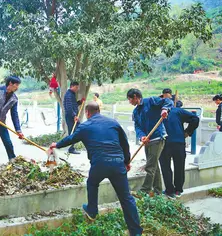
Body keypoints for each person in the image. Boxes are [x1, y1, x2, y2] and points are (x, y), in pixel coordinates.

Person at [49, 101, 143, 236]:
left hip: (99, 163)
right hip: (117, 163)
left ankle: (92, 210)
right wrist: (126, 161)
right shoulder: (113, 123)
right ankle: (136, 232)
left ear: (87, 113)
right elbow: (125, 144)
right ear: (99, 110)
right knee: (126, 198)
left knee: (92, 183)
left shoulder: (85, 126)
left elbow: (71, 139)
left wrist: (56, 144)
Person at [127, 88, 172, 195]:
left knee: (150, 166)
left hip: (157, 138)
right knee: (154, 166)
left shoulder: (151, 101)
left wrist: (165, 109)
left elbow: (168, 101)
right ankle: (158, 191)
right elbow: (137, 126)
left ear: (135, 96)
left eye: (130, 99)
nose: (130, 102)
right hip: (147, 141)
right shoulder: (136, 111)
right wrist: (142, 136)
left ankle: (144, 191)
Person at [159, 107, 199, 198]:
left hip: (177, 142)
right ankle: (171, 190)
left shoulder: (176, 111)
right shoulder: (157, 112)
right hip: (164, 143)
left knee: (177, 166)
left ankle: (177, 189)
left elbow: (195, 119)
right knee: (167, 167)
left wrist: (188, 132)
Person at [63, 81, 85, 154]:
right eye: (76, 87)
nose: (77, 89)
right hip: (70, 117)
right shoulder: (69, 95)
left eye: (77, 87)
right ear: (71, 86)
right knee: (72, 132)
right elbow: (69, 108)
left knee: (78, 129)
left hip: (73, 116)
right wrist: (74, 116)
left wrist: (80, 102)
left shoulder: (72, 94)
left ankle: (72, 147)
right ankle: (71, 148)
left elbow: (74, 105)